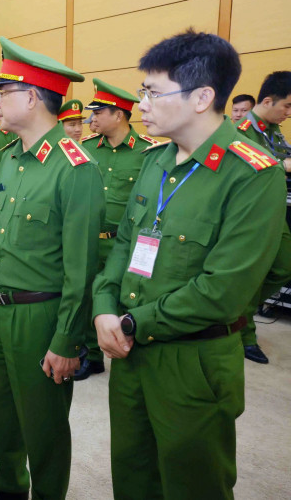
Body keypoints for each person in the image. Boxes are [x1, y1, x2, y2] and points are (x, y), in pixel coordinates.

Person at [92, 30, 286, 499]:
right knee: (133, 475)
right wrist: (102, 306)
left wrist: (132, 320)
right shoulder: (154, 160)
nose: (142, 104)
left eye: (153, 93)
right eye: (143, 93)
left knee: (193, 483)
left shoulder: (252, 173)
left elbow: (224, 289)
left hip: (193, 362)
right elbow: (123, 242)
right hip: (130, 351)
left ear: (202, 97)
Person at [0, 37, 104, 500]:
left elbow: (82, 268)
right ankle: (7, 484)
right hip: (1, 309)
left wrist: (68, 339)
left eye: (4, 92)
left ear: (32, 97)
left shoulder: (74, 167)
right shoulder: (16, 156)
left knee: (43, 422)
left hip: (42, 315)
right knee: (2, 410)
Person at [75, 79, 157, 381]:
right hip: (88, 239)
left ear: (119, 114)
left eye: (98, 112)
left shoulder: (148, 153)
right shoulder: (84, 149)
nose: (91, 119)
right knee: (86, 297)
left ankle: (123, 351)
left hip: (124, 244)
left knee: (124, 300)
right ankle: (92, 355)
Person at [235, 71, 291, 364]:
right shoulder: (242, 130)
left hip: (274, 209)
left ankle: (242, 311)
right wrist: (283, 164)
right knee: (251, 270)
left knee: (284, 267)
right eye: (287, 107)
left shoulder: (272, 129)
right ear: (268, 100)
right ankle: (244, 333)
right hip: (252, 213)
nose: (288, 114)